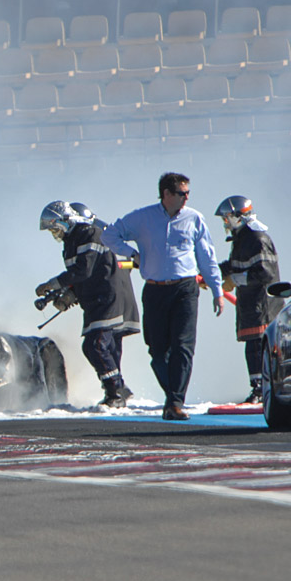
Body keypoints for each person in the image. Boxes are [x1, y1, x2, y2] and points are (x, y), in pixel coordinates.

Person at [102, 173, 224, 421]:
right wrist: (132, 254)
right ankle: (173, 397)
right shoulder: (143, 217)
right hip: (155, 289)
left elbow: (207, 257)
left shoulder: (194, 218)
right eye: (181, 193)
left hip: (185, 289)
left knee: (183, 346)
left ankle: (176, 402)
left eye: (188, 193)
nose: (186, 197)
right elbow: (109, 235)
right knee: (157, 350)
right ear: (166, 194)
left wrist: (217, 290)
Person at [36, 201, 140, 408]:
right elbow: (92, 273)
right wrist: (71, 294)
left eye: (56, 228)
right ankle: (117, 391)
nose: (55, 234)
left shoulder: (87, 233)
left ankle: (116, 390)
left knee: (95, 345)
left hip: (106, 297)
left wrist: (53, 284)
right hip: (104, 297)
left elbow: (85, 270)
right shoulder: (78, 238)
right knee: (108, 346)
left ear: (67, 220)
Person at [214, 195, 282, 404]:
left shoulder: (257, 238)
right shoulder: (242, 239)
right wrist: (212, 274)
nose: (225, 223)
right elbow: (235, 264)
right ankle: (258, 387)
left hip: (262, 305)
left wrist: (235, 279)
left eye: (227, 218)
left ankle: (262, 389)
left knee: (257, 348)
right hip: (249, 304)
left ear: (238, 216)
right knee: (251, 347)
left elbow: (266, 274)